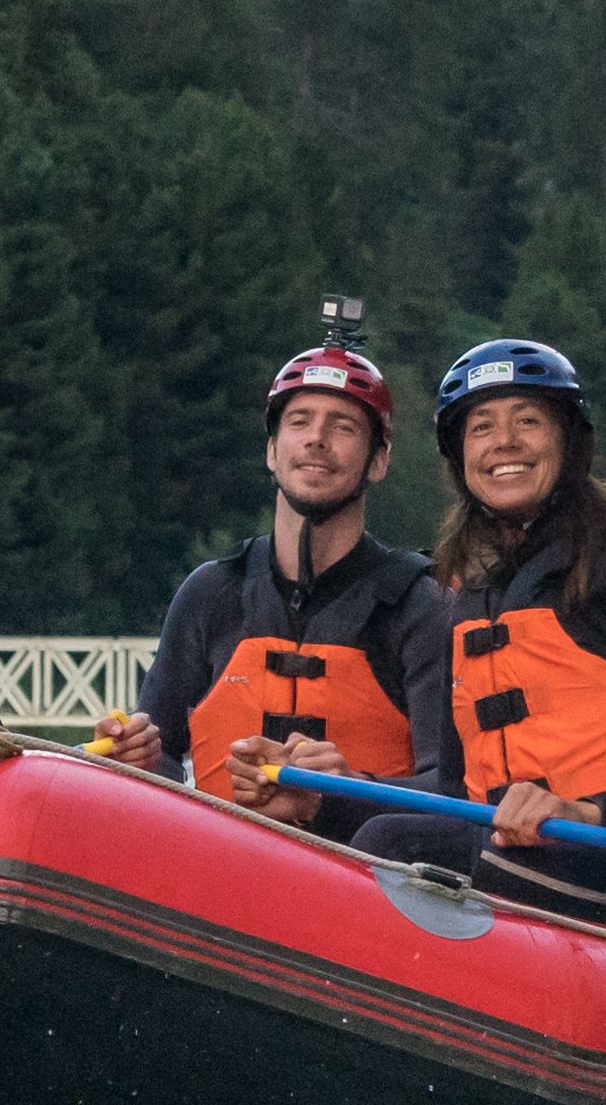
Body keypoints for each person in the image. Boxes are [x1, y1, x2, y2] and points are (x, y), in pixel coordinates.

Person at [341, 338, 606, 948]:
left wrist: (588, 814)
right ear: (459, 457)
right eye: (481, 427)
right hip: (526, 862)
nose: (504, 442)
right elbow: (455, 793)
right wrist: (329, 790)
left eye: (528, 421)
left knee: (393, 847)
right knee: (360, 827)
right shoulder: (470, 597)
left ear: (569, 442)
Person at [100, 333, 459, 840]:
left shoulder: (420, 606)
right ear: (272, 451)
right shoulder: (211, 594)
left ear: (378, 461)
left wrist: (345, 789)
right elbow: (162, 761)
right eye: (300, 422)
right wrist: (132, 758)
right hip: (217, 871)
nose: (317, 439)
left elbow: (452, 788)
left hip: (365, 882)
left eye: (344, 426)